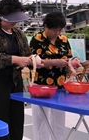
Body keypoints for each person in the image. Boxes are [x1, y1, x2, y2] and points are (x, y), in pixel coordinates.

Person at [0, 0, 32, 140]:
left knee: (17, 120)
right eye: (11, 18)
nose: (14, 22)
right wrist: (15, 59)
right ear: (2, 16)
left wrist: (32, 59)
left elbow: (27, 54)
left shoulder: (19, 34)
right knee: (0, 122)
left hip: (16, 82)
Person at [29, 11, 74, 140]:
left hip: (59, 86)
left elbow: (69, 57)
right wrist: (53, 62)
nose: (58, 33)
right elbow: (31, 61)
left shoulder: (64, 40)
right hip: (41, 86)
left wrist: (73, 62)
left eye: (60, 30)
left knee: (59, 120)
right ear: (46, 26)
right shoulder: (37, 40)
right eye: (55, 30)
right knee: (40, 120)